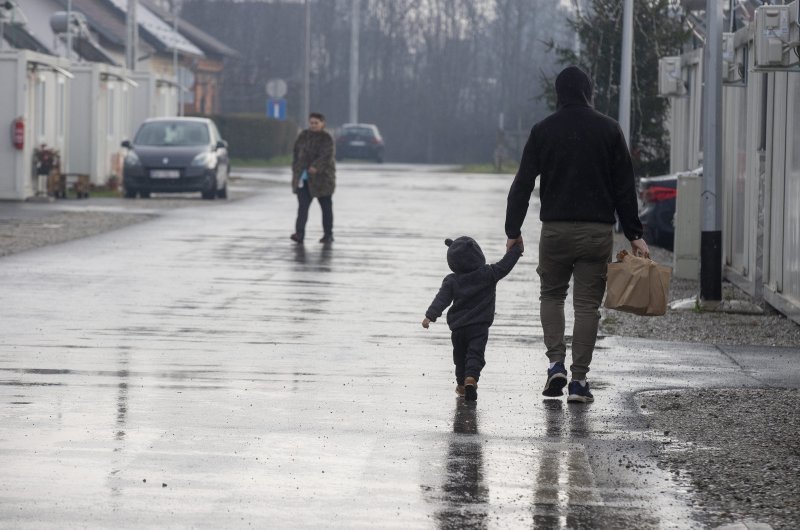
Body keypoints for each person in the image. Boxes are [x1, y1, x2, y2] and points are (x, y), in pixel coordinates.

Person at [504, 65, 649, 404]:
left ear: (559, 94)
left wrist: (513, 230)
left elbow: (523, 182)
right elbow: (624, 187)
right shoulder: (609, 130)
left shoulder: (543, 130)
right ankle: (579, 383)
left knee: (551, 296)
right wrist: (634, 234)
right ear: (588, 91)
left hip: (555, 231)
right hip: (596, 232)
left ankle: (556, 364)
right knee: (587, 306)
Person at [422, 237, 523, 402]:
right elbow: (505, 265)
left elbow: (442, 299)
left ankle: (461, 385)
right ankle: (471, 379)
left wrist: (429, 316)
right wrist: (516, 250)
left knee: (460, 357)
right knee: (475, 355)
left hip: (458, 328)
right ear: (478, 254)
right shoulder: (488, 273)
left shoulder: (451, 280)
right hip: (479, 327)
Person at [290, 112, 336, 244]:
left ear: (322, 123)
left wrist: (316, 167)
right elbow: (296, 153)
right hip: (303, 179)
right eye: (311, 123)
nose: (314, 125)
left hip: (323, 179)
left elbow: (327, 155)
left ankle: (328, 234)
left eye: (316, 123)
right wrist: (296, 168)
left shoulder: (327, 138)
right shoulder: (303, 136)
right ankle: (299, 234)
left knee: (326, 207)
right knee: (302, 207)